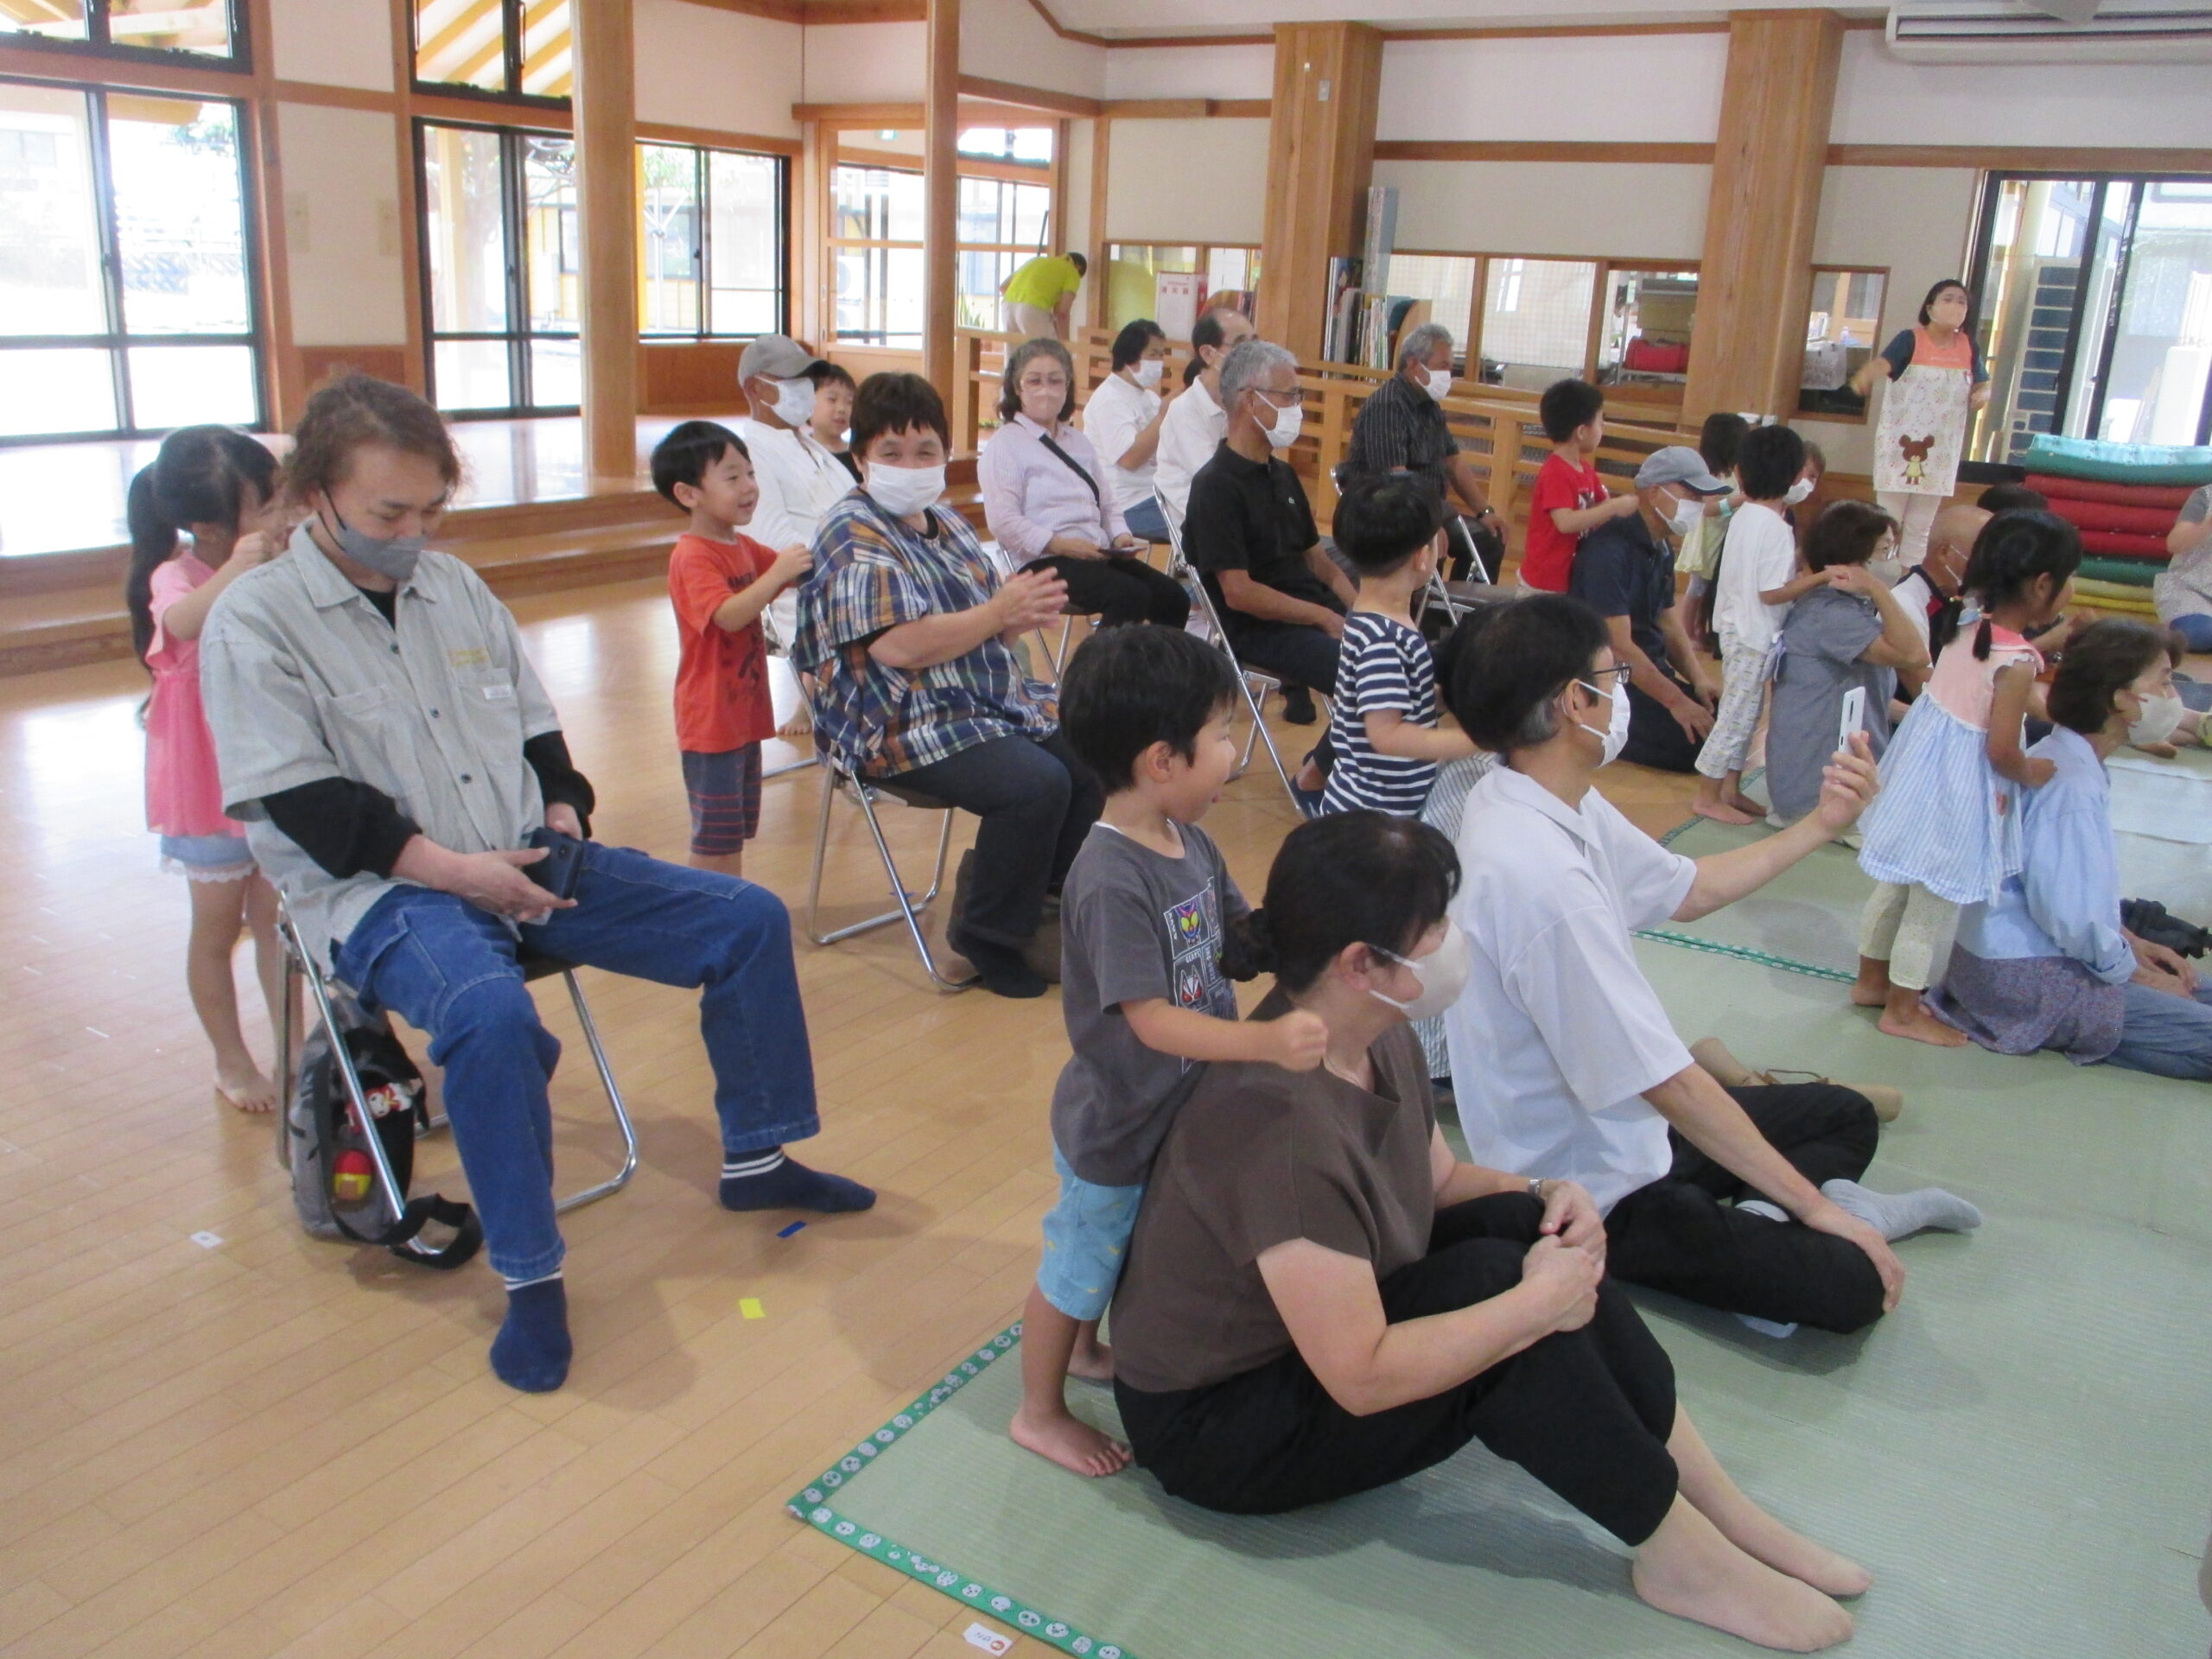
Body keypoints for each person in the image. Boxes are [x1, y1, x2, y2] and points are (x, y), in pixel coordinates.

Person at [199, 374, 874, 1395]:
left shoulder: (453, 586)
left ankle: (758, 1159)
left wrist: (562, 804)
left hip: (521, 853)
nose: (412, 534)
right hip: (385, 894)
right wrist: (455, 873)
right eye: (389, 513)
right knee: (489, 1013)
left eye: (430, 511)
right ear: (315, 494)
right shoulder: (257, 621)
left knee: (743, 917)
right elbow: (310, 806)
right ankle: (531, 1274)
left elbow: (531, 722)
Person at [1110, 811, 1872, 1654]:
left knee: (1524, 1228)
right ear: (1360, 963)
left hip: (1319, 1331)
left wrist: (1549, 1192)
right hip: (1219, 1423)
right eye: (1432, 929)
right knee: (1506, 1310)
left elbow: (1436, 1183)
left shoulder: (1367, 1033)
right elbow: (1361, 1377)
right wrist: (1534, 1306)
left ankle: (1714, 1503)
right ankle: (1680, 1557)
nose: (1451, 941)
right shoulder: (1277, 1131)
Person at [1440, 596, 1981, 1338]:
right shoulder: (1537, 876)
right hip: (1591, 1191)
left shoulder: (1542, 795)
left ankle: (1767, 1216)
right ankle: (1804, 1218)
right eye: (1613, 676)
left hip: (1640, 1134)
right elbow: (1668, 1080)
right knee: (1854, 1285)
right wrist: (1816, 1208)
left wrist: (1822, 823)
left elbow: (1688, 891)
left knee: (1846, 1115)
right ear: (1574, 701)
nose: (1621, 693)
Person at [1011, 626, 1327, 1478]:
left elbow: (1238, 935)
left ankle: (1084, 1352)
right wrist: (1261, 1041)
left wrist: (1309, 934)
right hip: (1118, 1122)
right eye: (1222, 734)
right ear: (1162, 761)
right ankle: (1038, 1411)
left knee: (1115, 1250)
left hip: (1172, 1104)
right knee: (1078, 1265)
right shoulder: (1111, 876)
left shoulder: (1190, 841)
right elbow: (1149, 1020)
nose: (1233, 751)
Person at [793, 372, 1100, 1000]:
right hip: (892, 719)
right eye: (891, 452)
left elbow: (986, 625)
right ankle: (986, 937)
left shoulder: (948, 523)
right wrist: (998, 614)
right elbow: (899, 647)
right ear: (861, 458)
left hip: (975, 700)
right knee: (1035, 785)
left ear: (945, 452)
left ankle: (1038, 911)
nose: (911, 465)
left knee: (1092, 759)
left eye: (925, 450)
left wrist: (1016, 617)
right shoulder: (850, 531)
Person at [1929, 620, 2212, 1077]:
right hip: (2022, 978)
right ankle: (2104, 1026)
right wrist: (2134, 972)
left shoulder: (2068, 758)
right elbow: (2069, 914)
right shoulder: (2070, 785)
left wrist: (2134, 942)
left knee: (2196, 989)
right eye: (2163, 681)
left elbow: (2081, 901)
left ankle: (2122, 1023)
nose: (2172, 695)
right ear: (2120, 699)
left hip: (2017, 961)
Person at [1855, 510, 2083, 1045]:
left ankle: (1870, 982)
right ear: (2043, 584)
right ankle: (1902, 1010)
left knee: (1897, 885)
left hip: (1918, 773)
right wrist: (2032, 772)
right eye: (2070, 576)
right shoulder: (2017, 662)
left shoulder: (1967, 621)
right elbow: (2002, 750)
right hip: (1957, 790)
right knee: (1931, 903)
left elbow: (1996, 662)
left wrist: (2054, 636)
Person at [124, 425, 293, 1114]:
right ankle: (231, 1060)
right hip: (206, 784)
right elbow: (184, 622)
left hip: (268, 766)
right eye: (263, 504)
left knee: (277, 923)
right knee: (217, 927)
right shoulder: (175, 575)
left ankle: (295, 1050)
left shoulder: (273, 564)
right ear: (209, 526)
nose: (277, 514)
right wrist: (239, 568)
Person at [652, 421, 811, 877]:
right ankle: (712, 906)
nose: (749, 487)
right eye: (732, 477)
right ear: (688, 494)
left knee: (732, 833)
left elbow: (797, 574)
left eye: (750, 473)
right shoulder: (693, 555)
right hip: (711, 721)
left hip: (741, 715)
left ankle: (729, 902)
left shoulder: (741, 545)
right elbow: (727, 615)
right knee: (714, 840)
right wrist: (778, 573)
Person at [1183, 340, 1356, 736]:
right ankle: (1324, 768)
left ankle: (1335, 763)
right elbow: (1240, 593)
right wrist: (1324, 617)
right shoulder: (1215, 486)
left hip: (1313, 612)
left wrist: (1364, 611)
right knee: (1372, 680)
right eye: (1290, 396)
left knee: (1406, 660)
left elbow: (1322, 565)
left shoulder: (1283, 475)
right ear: (1250, 399)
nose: (1298, 407)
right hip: (1262, 629)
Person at [977, 336, 1188, 630]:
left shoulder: (1077, 441)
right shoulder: (1006, 445)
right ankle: (1098, 662)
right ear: (1017, 387)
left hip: (1095, 553)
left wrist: (1120, 537)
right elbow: (1003, 521)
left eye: (1055, 381)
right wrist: (1061, 545)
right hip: (1043, 561)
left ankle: (1154, 661)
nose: (1046, 390)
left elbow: (1107, 501)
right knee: (1129, 595)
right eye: (1034, 381)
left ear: (1067, 387)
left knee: (1174, 598)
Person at [1317, 475, 1475, 817]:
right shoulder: (1384, 639)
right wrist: (1473, 742)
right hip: (1373, 816)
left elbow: (1403, 701)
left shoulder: (1372, 618)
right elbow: (1387, 735)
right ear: (1423, 557)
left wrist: (1449, 698)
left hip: (1376, 807)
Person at [1764, 501, 1930, 827]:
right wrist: (1877, 586)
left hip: (1831, 783)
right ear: (1854, 558)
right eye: (1884, 551)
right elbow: (1915, 656)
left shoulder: (1845, 606)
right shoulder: (1831, 613)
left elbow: (1866, 694)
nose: (1892, 561)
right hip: (1819, 798)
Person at [1568, 445, 1728, 774]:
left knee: (1725, 718)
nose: (1698, 505)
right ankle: (1592, 728)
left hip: (1649, 671)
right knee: (1697, 746)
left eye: (1701, 498)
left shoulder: (1660, 544)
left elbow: (1668, 622)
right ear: (1655, 492)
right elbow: (1619, 647)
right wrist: (1675, 701)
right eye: (1692, 495)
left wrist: (1698, 680)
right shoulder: (1609, 551)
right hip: (1611, 681)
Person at [1694, 424, 1822, 825]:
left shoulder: (1746, 515)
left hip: (1738, 627)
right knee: (1737, 716)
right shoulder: (1775, 527)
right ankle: (1707, 796)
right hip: (1752, 633)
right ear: (1794, 476)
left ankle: (1730, 789)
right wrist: (1816, 578)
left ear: (1741, 473)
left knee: (1747, 714)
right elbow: (1771, 592)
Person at [1339, 321, 1500, 579]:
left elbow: (1453, 462)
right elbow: (1395, 479)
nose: (1448, 375)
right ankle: (1422, 600)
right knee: (1432, 547)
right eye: (1443, 366)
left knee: (1490, 538)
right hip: (1387, 511)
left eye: (1450, 368)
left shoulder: (1429, 404)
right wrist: (1426, 526)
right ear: (1414, 364)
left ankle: (1458, 602)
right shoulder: (1387, 406)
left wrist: (1485, 511)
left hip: (1428, 508)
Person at [1849, 278, 1992, 565]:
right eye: (1948, 299)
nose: (1955, 306)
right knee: (1887, 521)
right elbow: (1884, 364)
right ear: (1930, 307)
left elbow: (1983, 382)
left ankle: (1909, 579)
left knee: (1920, 526)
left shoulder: (1968, 346)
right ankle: (1875, 577)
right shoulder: (1910, 339)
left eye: (1961, 302)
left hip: (1940, 452)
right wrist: (1864, 376)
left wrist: (1983, 395)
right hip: (1899, 446)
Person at [736, 334, 853, 652]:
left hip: (856, 590)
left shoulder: (813, 446)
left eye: (807, 380)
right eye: (791, 379)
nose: (804, 388)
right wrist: (859, 557)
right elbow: (774, 544)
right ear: (755, 388)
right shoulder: (749, 456)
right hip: (811, 607)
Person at [1519, 378, 1638, 594]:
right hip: (1544, 584)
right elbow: (1565, 522)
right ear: (1582, 431)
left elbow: (1604, 509)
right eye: (1600, 423)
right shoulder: (1555, 472)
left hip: (1571, 578)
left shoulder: (1585, 471)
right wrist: (1615, 507)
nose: (1602, 430)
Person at [1153, 307, 1256, 524]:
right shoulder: (1184, 410)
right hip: (1203, 523)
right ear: (1209, 354)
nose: (1253, 354)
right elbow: (1216, 482)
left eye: (1255, 343)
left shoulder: (1244, 402)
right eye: (1241, 345)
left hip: (1238, 515)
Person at [1079, 319, 1179, 543]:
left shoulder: (1149, 397)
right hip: (1127, 505)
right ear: (1130, 357)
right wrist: (1163, 415)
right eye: (1153, 355)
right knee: (1201, 525)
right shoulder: (1109, 398)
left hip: (1157, 494)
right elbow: (1129, 459)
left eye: (1162, 355)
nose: (1159, 363)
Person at [1675, 411, 1749, 647]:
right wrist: (1737, 501)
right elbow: (1708, 509)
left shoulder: (1733, 472)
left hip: (1723, 535)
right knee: (1697, 587)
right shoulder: (1710, 474)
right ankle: (1687, 633)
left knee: (1710, 588)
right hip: (1707, 538)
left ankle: (1701, 629)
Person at [1890, 501, 1987, 655]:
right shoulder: (1905, 603)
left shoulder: (1971, 598)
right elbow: (1917, 670)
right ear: (1945, 552)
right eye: (1983, 554)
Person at [2155, 484, 2212, 652]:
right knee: (2196, 634)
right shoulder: (2205, 496)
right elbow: (2174, 544)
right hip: (2191, 589)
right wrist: (2207, 525)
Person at [1001, 251, 1087, 340]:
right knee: (1048, 347)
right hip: (1032, 309)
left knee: (1016, 348)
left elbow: (1003, 288)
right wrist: (1066, 342)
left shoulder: (1035, 261)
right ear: (1078, 267)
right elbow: (1062, 312)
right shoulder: (1072, 272)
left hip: (1007, 308)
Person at [804, 359, 862, 485]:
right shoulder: (801, 452)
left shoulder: (859, 456)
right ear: (807, 401)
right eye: (832, 399)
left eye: (849, 402)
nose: (842, 408)